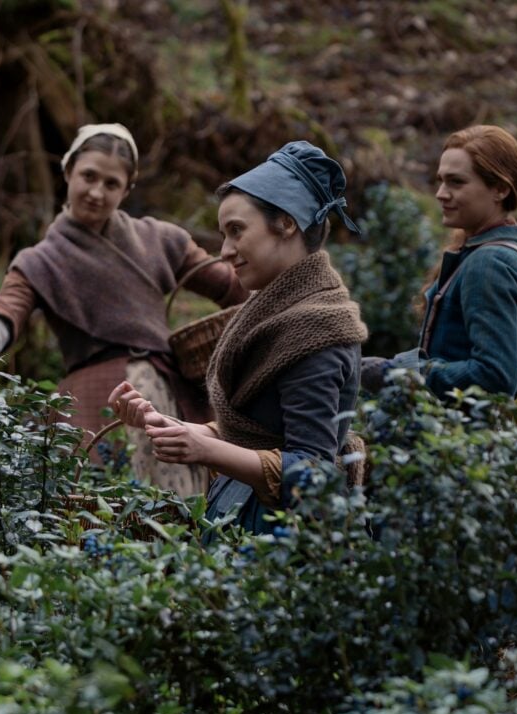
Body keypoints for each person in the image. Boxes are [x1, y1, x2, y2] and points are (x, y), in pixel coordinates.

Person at [0, 122, 247, 496]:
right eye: (88, 176)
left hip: (170, 396)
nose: (96, 192)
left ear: (127, 189)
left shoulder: (161, 239)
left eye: (111, 184)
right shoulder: (41, 260)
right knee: (101, 513)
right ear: (68, 170)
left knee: (187, 510)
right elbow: (1, 317)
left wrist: (290, 283)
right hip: (92, 403)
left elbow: (235, 285)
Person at [107, 139, 367, 536]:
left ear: (286, 223)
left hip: (284, 539)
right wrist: (165, 425)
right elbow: (257, 431)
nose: (225, 251)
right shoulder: (272, 314)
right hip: (242, 514)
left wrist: (206, 450)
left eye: (236, 231)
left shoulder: (317, 332)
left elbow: (315, 475)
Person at [361, 124, 517, 400]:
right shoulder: (501, 253)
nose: (441, 193)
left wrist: (396, 372)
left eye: (456, 182)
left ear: (500, 190)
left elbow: (494, 376)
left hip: (462, 437)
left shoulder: (490, 263)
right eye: (441, 180)